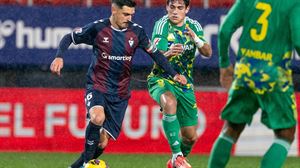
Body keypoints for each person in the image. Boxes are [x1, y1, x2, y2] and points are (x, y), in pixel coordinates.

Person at [50, 0, 187, 168]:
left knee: (101, 143)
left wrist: (174, 74)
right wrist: (59, 56)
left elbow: (156, 54)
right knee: (97, 117)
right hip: (97, 86)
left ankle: (76, 166)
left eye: (131, 15)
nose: (129, 18)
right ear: (114, 10)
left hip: (120, 93)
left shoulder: (137, 32)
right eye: (125, 14)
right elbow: (68, 37)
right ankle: (87, 164)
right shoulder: (98, 29)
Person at [208, 0, 300, 167]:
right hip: (274, 75)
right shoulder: (293, 3)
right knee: (285, 134)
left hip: (245, 72)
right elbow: (299, 41)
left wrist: (223, 64)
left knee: (231, 129)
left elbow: (225, 30)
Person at [147, 0, 212, 168]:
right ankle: (177, 156)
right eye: (172, 7)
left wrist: (196, 39)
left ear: (187, 9)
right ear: (166, 7)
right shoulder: (161, 25)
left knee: (190, 137)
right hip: (161, 79)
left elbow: (208, 53)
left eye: (180, 8)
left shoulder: (194, 26)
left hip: (184, 83)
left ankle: (175, 162)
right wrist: (168, 53)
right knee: (169, 102)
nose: (175, 12)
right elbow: (156, 58)